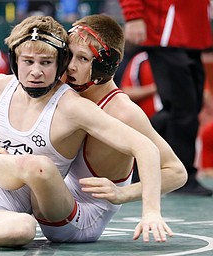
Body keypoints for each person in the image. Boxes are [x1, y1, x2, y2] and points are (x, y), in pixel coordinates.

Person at [0, 16, 170, 254]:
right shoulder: (0, 85)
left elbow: (148, 149)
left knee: (24, 223)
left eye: (46, 62)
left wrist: (149, 210)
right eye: (28, 61)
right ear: (15, 60)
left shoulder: (78, 106)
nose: (36, 71)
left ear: (58, 63)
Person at [32, 14, 187, 242]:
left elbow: (176, 172)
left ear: (105, 66)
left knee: (35, 167)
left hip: (83, 219)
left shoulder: (123, 111)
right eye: (70, 55)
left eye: (83, 59)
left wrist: (125, 195)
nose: (71, 66)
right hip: (59, 196)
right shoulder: (68, 88)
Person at [118, 0, 213, 196]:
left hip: (191, 29)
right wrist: (133, 15)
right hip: (165, 28)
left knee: (189, 107)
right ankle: (180, 176)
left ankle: (145, 169)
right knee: (181, 108)